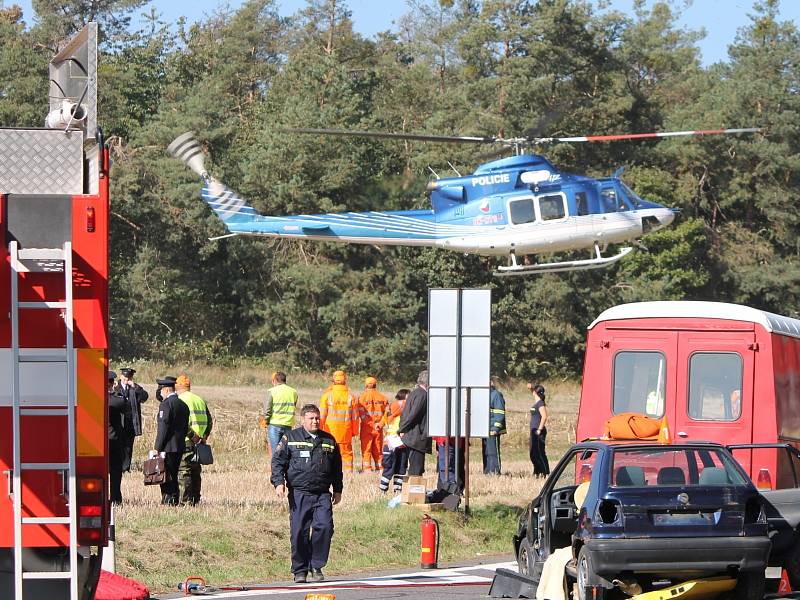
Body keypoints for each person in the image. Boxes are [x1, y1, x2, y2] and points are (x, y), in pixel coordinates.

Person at [271, 404, 343, 584]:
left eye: (317, 418)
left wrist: (338, 489)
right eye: (311, 418)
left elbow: (337, 468)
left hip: (322, 494)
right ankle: (300, 570)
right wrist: (279, 483)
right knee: (298, 532)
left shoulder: (329, 440)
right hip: (299, 493)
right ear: (302, 420)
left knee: (324, 527)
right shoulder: (291, 437)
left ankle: (316, 565)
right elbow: (278, 462)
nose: (315, 421)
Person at [176, 374, 213, 505]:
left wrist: (192, 436)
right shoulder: (199, 399)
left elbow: (181, 422)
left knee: (184, 471)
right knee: (196, 471)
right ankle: (195, 499)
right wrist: (204, 436)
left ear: (177, 386)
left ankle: (185, 501)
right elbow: (209, 420)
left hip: (187, 440)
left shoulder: (180, 400)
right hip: (199, 442)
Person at [153, 376, 190, 505]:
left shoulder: (166, 404)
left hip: (167, 447)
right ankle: (174, 499)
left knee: (166, 475)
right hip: (179, 446)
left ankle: (168, 500)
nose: (160, 393)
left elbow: (163, 428)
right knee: (174, 474)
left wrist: (157, 447)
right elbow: (186, 427)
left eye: (161, 390)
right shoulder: (183, 405)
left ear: (166, 390)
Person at [319, 370, 362, 473]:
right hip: (345, 431)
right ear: (345, 380)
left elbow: (322, 415)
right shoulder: (351, 397)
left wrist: (319, 430)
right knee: (346, 453)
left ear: (333, 380)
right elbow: (355, 417)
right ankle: (348, 472)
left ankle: (328, 470)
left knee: (329, 451)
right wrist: (355, 431)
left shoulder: (327, 395)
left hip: (329, 431)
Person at [398, 370, 432, 476]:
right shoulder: (423, 395)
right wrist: (401, 429)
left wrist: (402, 429)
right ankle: (414, 491)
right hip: (417, 437)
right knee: (416, 468)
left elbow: (406, 414)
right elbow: (413, 415)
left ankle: (413, 490)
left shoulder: (414, 393)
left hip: (411, 436)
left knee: (415, 466)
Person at [378, 388, 410, 493]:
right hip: (392, 442)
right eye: (408, 398)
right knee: (389, 467)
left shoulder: (398, 410)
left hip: (402, 443)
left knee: (401, 468)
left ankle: (398, 489)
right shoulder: (397, 406)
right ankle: (383, 490)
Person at [118, 367, 149, 473]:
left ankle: (126, 467)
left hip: (131, 422)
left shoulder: (134, 388)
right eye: (125, 377)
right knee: (118, 445)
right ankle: (117, 466)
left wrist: (134, 386)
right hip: (119, 421)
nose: (126, 380)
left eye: (129, 378)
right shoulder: (116, 387)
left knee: (128, 446)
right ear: (121, 376)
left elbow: (144, 397)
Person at [357, 376, 388, 472]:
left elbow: (361, 414)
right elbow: (387, 413)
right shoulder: (383, 397)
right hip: (378, 428)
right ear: (375, 385)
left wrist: (370, 424)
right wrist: (380, 424)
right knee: (378, 449)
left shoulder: (361, 398)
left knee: (366, 449)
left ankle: (367, 469)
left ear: (366, 385)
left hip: (367, 428)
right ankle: (380, 467)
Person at [264, 371, 299, 452]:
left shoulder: (272, 391)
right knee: (285, 451)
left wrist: (266, 421)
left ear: (275, 380)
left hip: (274, 425)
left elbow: (267, 409)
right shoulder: (293, 392)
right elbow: (294, 405)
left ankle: (275, 465)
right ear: (284, 380)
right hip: (288, 425)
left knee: (275, 452)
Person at [107, 371, 126, 505]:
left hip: (97, 443)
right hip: (114, 440)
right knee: (115, 471)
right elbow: (126, 406)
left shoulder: (94, 397)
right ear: (112, 384)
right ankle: (115, 498)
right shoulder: (116, 399)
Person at [483, 378, 507, 475]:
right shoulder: (485, 395)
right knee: (487, 452)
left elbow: (500, 413)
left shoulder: (496, 395)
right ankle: (488, 470)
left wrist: (495, 429)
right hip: (485, 429)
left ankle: (495, 471)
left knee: (493, 452)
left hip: (493, 429)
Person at [529, 383, 550, 476]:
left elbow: (544, 416)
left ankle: (544, 472)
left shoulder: (540, 403)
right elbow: (533, 389)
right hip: (533, 431)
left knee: (539, 453)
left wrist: (539, 429)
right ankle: (537, 471)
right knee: (533, 453)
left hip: (538, 431)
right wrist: (531, 387)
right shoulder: (537, 402)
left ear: (535, 392)